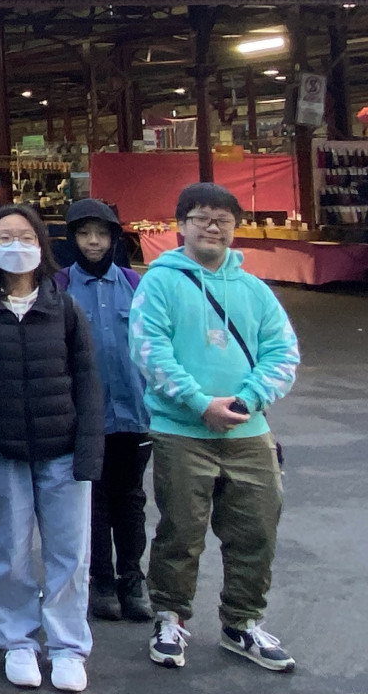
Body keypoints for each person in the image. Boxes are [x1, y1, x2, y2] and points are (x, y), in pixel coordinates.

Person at [129, 182, 300, 673]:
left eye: (223, 220)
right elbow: (148, 350)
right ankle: (170, 617)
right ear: (180, 225)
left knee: (256, 531)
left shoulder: (254, 290)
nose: (212, 227)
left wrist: (247, 400)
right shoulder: (159, 283)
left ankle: (242, 622)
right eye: (201, 218)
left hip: (248, 432)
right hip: (181, 431)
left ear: (234, 227)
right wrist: (199, 403)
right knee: (180, 532)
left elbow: (282, 352)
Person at [0, 205, 104, 693]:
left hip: (62, 449)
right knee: (9, 552)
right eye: (5, 237)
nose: (15, 245)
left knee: (69, 554)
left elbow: (87, 381)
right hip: (2, 452)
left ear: (41, 244)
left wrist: (89, 451)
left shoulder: (64, 307)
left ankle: (67, 646)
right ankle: (17, 639)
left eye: (25, 236)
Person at [56, 198, 152, 623]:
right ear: (72, 239)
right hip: (84, 416)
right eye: (84, 233)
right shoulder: (59, 286)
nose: (93, 242)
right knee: (92, 500)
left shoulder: (134, 283)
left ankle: (133, 578)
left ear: (115, 238)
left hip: (133, 413)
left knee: (130, 498)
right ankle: (102, 580)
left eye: (101, 234)